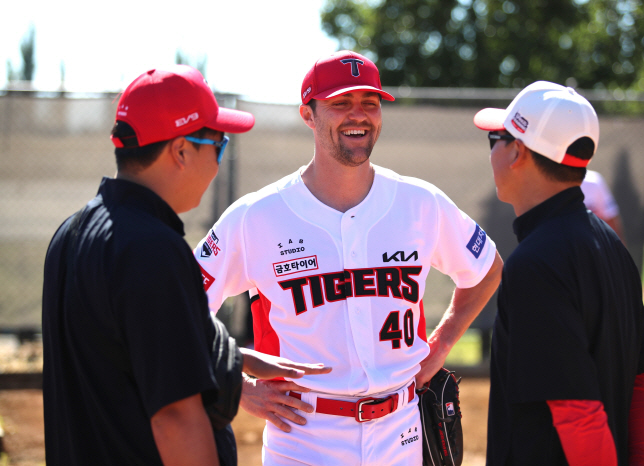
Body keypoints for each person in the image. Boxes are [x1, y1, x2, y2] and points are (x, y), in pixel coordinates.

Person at [194, 50, 503, 465]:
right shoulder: (257, 216)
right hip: (303, 435)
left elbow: (487, 269)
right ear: (309, 114)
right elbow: (180, 312)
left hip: (402, 432)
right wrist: (240, 387)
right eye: (341, 103)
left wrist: (444, 339)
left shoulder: (419, 202)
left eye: (370, 103)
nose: (358, 115)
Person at [42, 65, 330, 466]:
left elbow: (125, 347)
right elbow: (176, 416)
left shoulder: (72, 233)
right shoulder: (152, 250)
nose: (217, 163)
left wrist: (237, 359)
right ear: (181, 150)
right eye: (219, 145)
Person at [473, 81, 644, 466]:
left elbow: (577, 413)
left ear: (518, 151)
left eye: (496, 138)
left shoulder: (534, 265)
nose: (492, 149)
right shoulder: (611, 245)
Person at [581, 169, 626, 243]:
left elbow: (610, 219)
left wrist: (620, 250)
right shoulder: (555, 182)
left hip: (591, 248)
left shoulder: (593, 180)